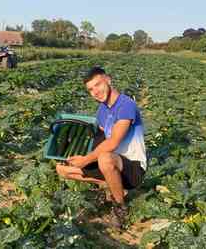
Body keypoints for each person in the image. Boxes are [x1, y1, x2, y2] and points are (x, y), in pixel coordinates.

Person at [56, 66, 147, 228]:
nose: (95, 92)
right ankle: (108, 186)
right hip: (112, 165)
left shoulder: (126, 105)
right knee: (62, 169)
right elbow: (100, 140)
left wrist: (85, 161)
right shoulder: (102, 111)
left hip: (133, 169)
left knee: (104, 157)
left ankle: (120, 207)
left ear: (108, 80)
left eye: (98, 85)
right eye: (90, 89)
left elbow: (113, 143)